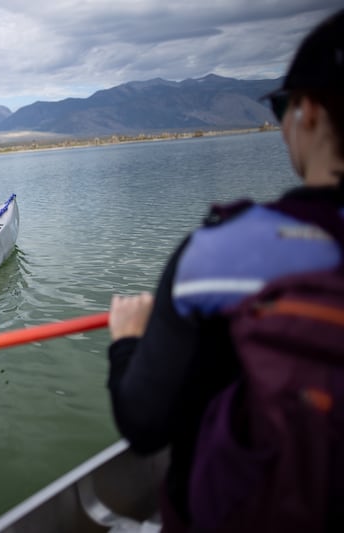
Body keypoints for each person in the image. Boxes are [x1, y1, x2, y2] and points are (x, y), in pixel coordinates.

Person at [106, 9, 344, 532]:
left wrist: (128, 341)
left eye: (282, 106)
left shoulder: (219, 255)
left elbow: (144, 425)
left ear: (306, 114)